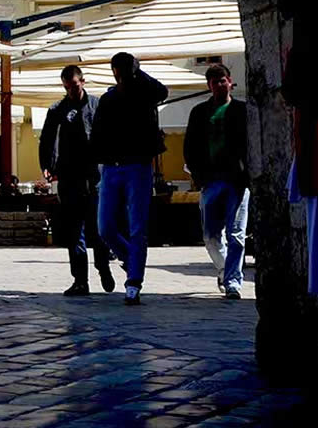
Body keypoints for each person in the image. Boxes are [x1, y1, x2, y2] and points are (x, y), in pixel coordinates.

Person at [91, 51, 169, 306]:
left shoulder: (145, 94)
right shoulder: (108, 98)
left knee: (137, 228)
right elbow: (97, 134)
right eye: (119, 68)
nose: (121, 72)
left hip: (138, 167)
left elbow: (162, 91)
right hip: (111, 169)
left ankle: (134, 281)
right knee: (105, 228)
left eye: (126, 68)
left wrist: (138, 72)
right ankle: (132, 259)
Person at [40, 64, 116, 297]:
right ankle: (80, 281)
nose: (71, 90)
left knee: (100, 228)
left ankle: (103, 267)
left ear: (82, 81)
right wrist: (47, 166)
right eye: (66, 87)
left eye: (73, 85)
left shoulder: (98, 105)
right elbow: (47, 140)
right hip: (69, 176)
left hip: (96, 176)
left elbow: (110, 134)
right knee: (74, 231)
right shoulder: (57, 110)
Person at [183, 63, 251, 299]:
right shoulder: (199, 113)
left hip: (237, 181)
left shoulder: (243, 110)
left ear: (230, 82)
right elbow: (189, 146)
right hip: (210, 181)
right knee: (210, 235)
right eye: (214, 82)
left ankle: (233, 281)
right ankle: (224, 269)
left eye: (223, 80)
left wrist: (248, 174)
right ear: (209, 86)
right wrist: (197, 174)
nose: (220, 85)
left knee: (236, 234)